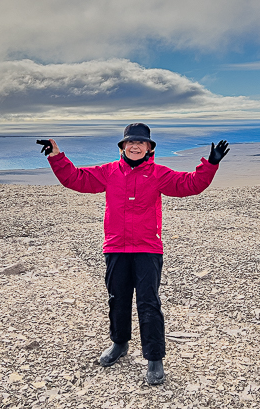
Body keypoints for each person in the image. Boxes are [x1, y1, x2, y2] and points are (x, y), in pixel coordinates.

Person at [37, 123, 228, 385]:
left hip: (148, 248)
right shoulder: (109, 172)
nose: (135, 146)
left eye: (141, 143)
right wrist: (56, 157)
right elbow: (76, 179)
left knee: (149, 303)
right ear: (123, 147)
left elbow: (190, 185)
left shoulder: (159, 174)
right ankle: (119, 344)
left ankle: (154, 358)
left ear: (149, 148)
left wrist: (210, 164)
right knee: (117, 298)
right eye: (130, 142)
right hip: (115, 247)